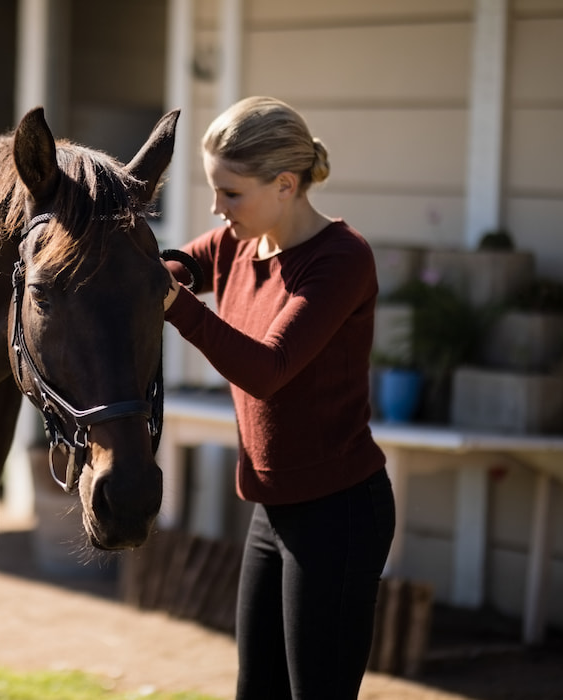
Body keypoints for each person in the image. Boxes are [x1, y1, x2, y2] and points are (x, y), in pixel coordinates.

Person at [161, 96, 396, 699]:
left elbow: (269, 370)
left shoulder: (341, 258)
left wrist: (174, 304)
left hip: (339, 512)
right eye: (215, 190)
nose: (217, 208)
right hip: (273, 507)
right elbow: (167, 269)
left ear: (285, 185)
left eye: (231, 193)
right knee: (255, 690)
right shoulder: (236, 244)